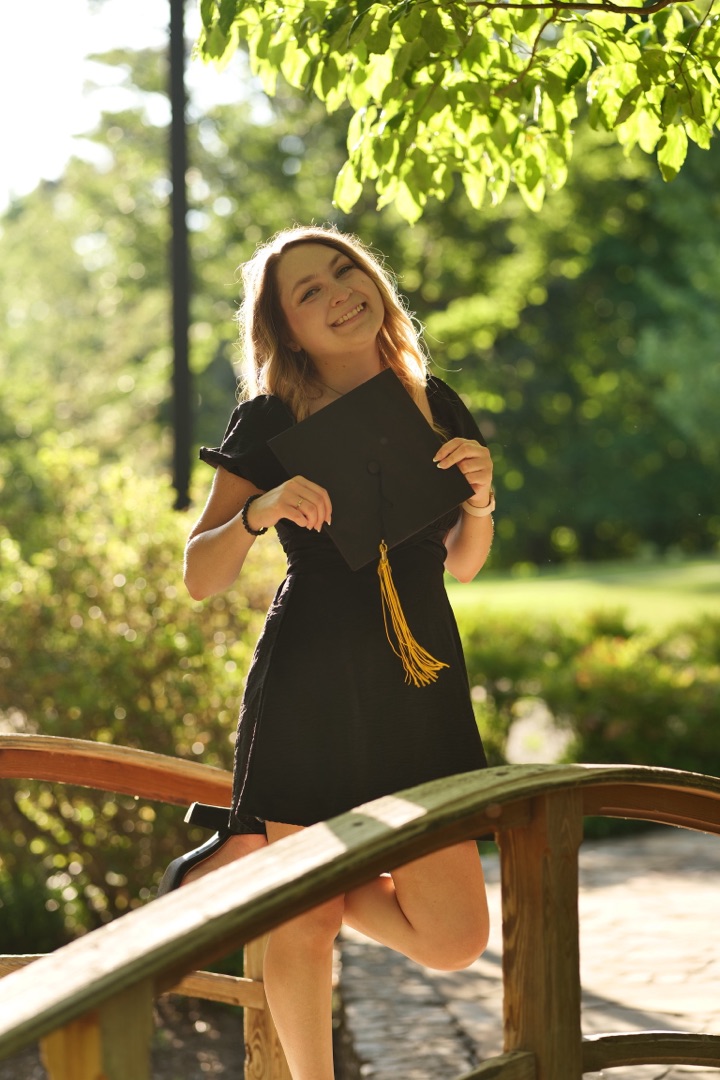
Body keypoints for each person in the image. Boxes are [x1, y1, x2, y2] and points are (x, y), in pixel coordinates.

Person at [161, 225, 495, 1080]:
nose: (337, 292)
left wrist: (484, 502)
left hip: (419, 680)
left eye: (344, 271)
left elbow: (458, 561)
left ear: (374, 281)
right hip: (311, 681)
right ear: (287, 330)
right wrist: (259, 509)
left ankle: (266, 863)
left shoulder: (431, 399)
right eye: (307, 291)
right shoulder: (271, 416)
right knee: (302, 923)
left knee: (456, 940)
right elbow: (201, 574)